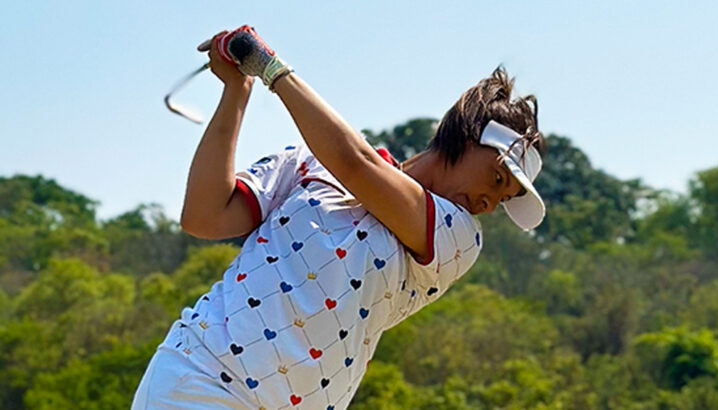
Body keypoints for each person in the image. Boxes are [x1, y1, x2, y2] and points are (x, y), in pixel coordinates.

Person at [132, 26, 547, 410]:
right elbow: (204, 217)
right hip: (198, 380)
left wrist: (270, 68)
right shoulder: (309, 161)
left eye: (504, 198)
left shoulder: (457, 237)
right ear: (467, 133)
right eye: (496, 178)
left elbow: (356, 163)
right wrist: (237, 90)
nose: (490, 203)